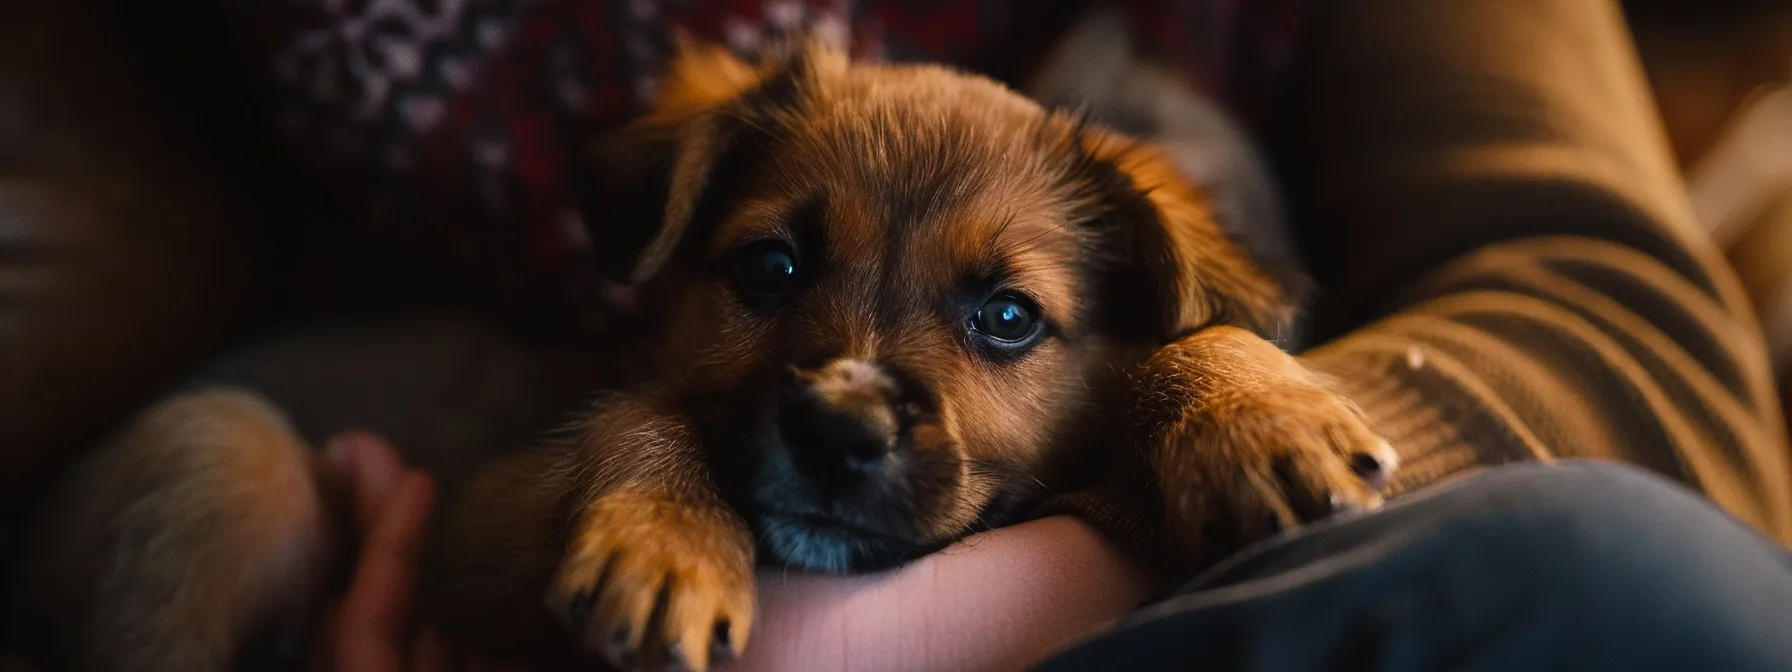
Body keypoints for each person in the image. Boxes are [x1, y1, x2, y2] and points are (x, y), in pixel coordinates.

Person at [5, 0, 1792, 670]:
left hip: (1161, 614)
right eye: (779, 274)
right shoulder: (660, 195)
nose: (850, 385)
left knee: (1641, 585)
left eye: (1001, 317)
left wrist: (915, 625)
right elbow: (605, 418)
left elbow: (1633, 328)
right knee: (205, 466)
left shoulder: (1162, 278)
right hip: (386, 561)